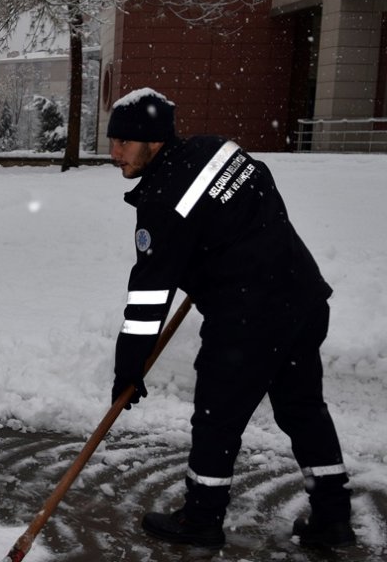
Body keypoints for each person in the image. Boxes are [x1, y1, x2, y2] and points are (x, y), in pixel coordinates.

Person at [105, 88, 354, 550]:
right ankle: (334, 519)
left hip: (248, 318)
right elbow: (260, 192)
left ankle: (201, 518)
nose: (113, 153)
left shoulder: (161, 201)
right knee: (304, 410)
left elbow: (148, 295)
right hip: (302, 298)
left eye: (123, 142)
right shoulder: (219, 149)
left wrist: (129, 366)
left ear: (154, 141)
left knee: (217, 419)